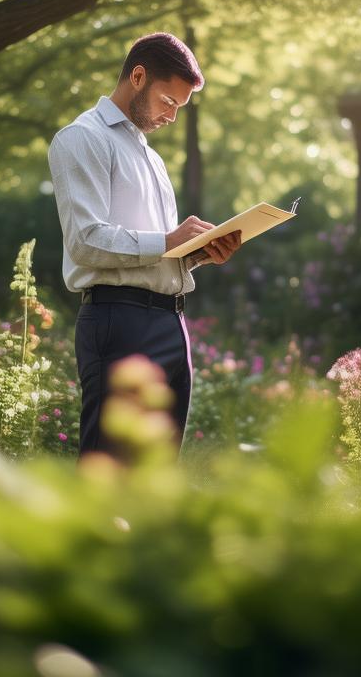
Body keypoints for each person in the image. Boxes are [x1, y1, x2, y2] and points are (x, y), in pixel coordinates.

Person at [47, 32, 242, 459]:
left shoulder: (151, 158)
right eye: (168, 102)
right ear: (138, 76)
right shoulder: (82, 139)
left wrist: (197, 254)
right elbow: (85, 242)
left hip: (172, 324)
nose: (171, 116)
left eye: (179, 108)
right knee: (109, 468)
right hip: (118, 321)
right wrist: (169, 240)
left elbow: (157, 251)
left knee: (156, 476)